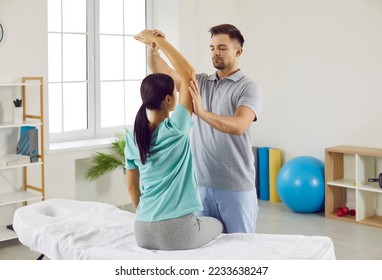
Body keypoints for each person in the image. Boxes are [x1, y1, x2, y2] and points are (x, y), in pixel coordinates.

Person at [144, 24, 262, 233]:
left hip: (236, 187)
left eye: (222, 48)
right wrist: (154, 48)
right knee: (205, 252)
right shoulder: (200, 82)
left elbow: (240, 125)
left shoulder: (247, 87)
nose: (215, 52)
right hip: (200, 186)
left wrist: (203, 113)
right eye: (212, 47)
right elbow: (161, 70)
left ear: (238, 51)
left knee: (241, 252)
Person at [124, 29, 223, 250]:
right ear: (169, 99)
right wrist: (158, 40)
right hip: (177, 231)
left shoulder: (132, 138)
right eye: (176, 94)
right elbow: (188, 74)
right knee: (217, 224)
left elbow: (131, 187)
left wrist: (153, 51)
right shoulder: (176, 127)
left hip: (142, 230)